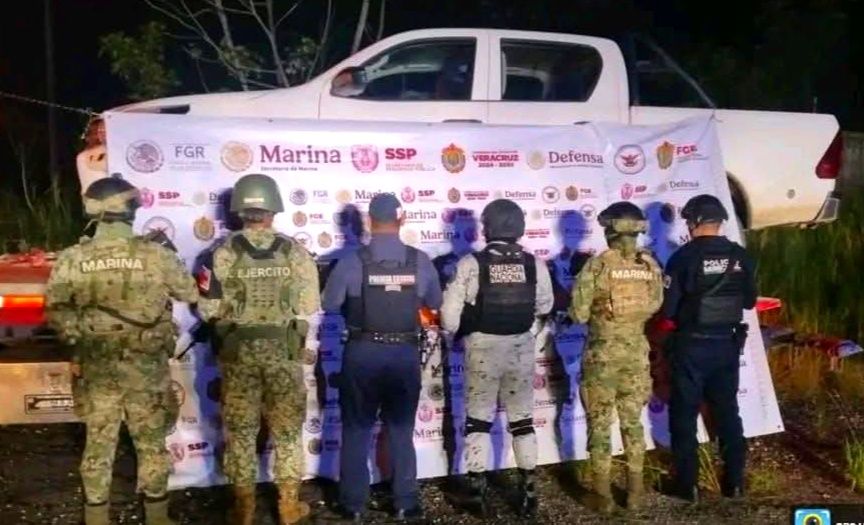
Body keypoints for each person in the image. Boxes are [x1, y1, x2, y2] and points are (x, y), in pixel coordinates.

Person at [45, 178, 198, 525]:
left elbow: (56, 311)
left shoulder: (73, 258)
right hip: (146, 368)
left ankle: (96, 518)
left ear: (92, 210)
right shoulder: (156, 255)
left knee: (98, 445)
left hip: (97, 369)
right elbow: (189, 293)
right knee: (151, 444)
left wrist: (82, 341)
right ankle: (157, 517)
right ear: (131, 210)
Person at [197, 173, 321, 525]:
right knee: (287, 433)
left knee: (240, 434)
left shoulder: (220, 253)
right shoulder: (295, 251)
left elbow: (207, 309)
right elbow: (309, 304)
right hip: (282, 354)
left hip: (239, 357)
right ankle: (288, 507)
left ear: (239, 210)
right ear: (273, 209)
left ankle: (244, 509)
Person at [321, 193, 442, 522]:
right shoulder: (420, 261)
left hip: (362, 354)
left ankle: (353, 505)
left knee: (356, 429)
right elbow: (434, 302)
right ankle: (406, 503)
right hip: (403, 355)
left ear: (369, 221)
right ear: (401, 219)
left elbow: (330, 304)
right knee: (401, 430)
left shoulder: (351, 261)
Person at [440, 198, 554, 517]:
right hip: (520, 347)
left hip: (482, 348)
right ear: (519, 227)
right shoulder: (534, 264)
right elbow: (545, 306)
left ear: (487, 228)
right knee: (522, 421)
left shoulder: (471, 264)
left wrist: (461, 334)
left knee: (478, 420)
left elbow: (449, 318)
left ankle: (477, 493)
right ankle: (529, 494)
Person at [569, 201, 664, 513]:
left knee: (599, 424)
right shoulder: (649, 265)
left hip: (603, 357)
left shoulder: (597, 266)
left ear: (609, 230)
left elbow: (579, 314)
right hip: (637, 354)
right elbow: (655, 306)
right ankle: (635, 494)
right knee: (633, 422)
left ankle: (603, 496)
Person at [661, 194, 756, 502]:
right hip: (727, 346)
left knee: (684, 415)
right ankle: (735, 482)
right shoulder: (740, 256)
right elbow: (749, 302)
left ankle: (687, 485)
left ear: (694, 222)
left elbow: (669, 310)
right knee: (728, 411)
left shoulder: (682, 258)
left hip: (691, 346)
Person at [76, 117, 108, 195]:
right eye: (102, 130)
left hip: (91, 197)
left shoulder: (82, 155)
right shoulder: (101, 151)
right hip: (106, 196)